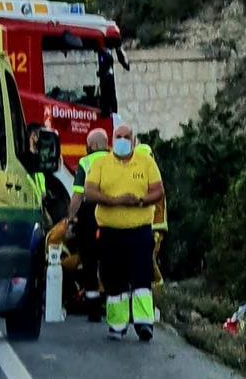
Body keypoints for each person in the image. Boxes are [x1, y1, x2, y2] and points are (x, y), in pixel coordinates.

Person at [85, 124, 164, 341]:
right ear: (112, 141)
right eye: (118, 137)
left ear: (134, 140)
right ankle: (117, 325)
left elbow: (158, 190)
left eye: (126, 137)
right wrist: (114, 201)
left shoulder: (146, 162)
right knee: (113, 280)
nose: (122, 141)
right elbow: (89, 192)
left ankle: (144, 323)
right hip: (110, 232)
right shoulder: (101, 163)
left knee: (142, 277)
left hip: (139, 231)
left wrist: (140, 201)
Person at [68, 128, 110, 321]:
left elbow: (78, 194)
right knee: (112, 262)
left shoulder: (85, 162)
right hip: (113, 215)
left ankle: (93, 309)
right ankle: (114, 307)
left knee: (89, 261)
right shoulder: (116, 161)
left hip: (90, 216)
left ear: (91, 146)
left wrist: (70, 217)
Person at [134, 142, 167, 290]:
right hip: (149, 228)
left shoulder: (151, 182)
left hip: (154, 228)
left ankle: (158, 289)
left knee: (148, 259)